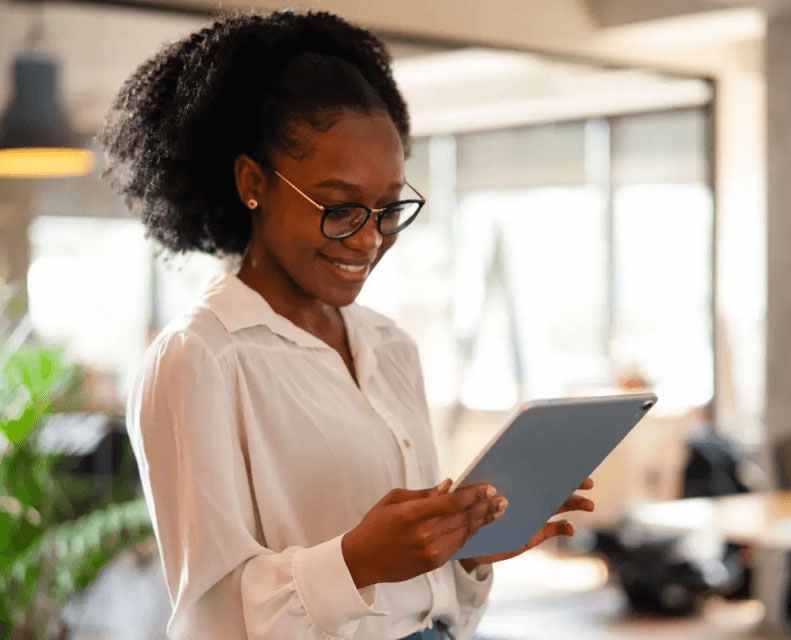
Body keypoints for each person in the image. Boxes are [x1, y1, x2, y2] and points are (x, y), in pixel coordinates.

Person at [99, 9, 595, 640]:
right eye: (339, 208)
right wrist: (356, 560)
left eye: (389, 209)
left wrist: (464, 551)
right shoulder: (200, 357)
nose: (368, 239)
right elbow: (211, 621)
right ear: (254, 183)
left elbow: (427, 607)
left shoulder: (391, 348)